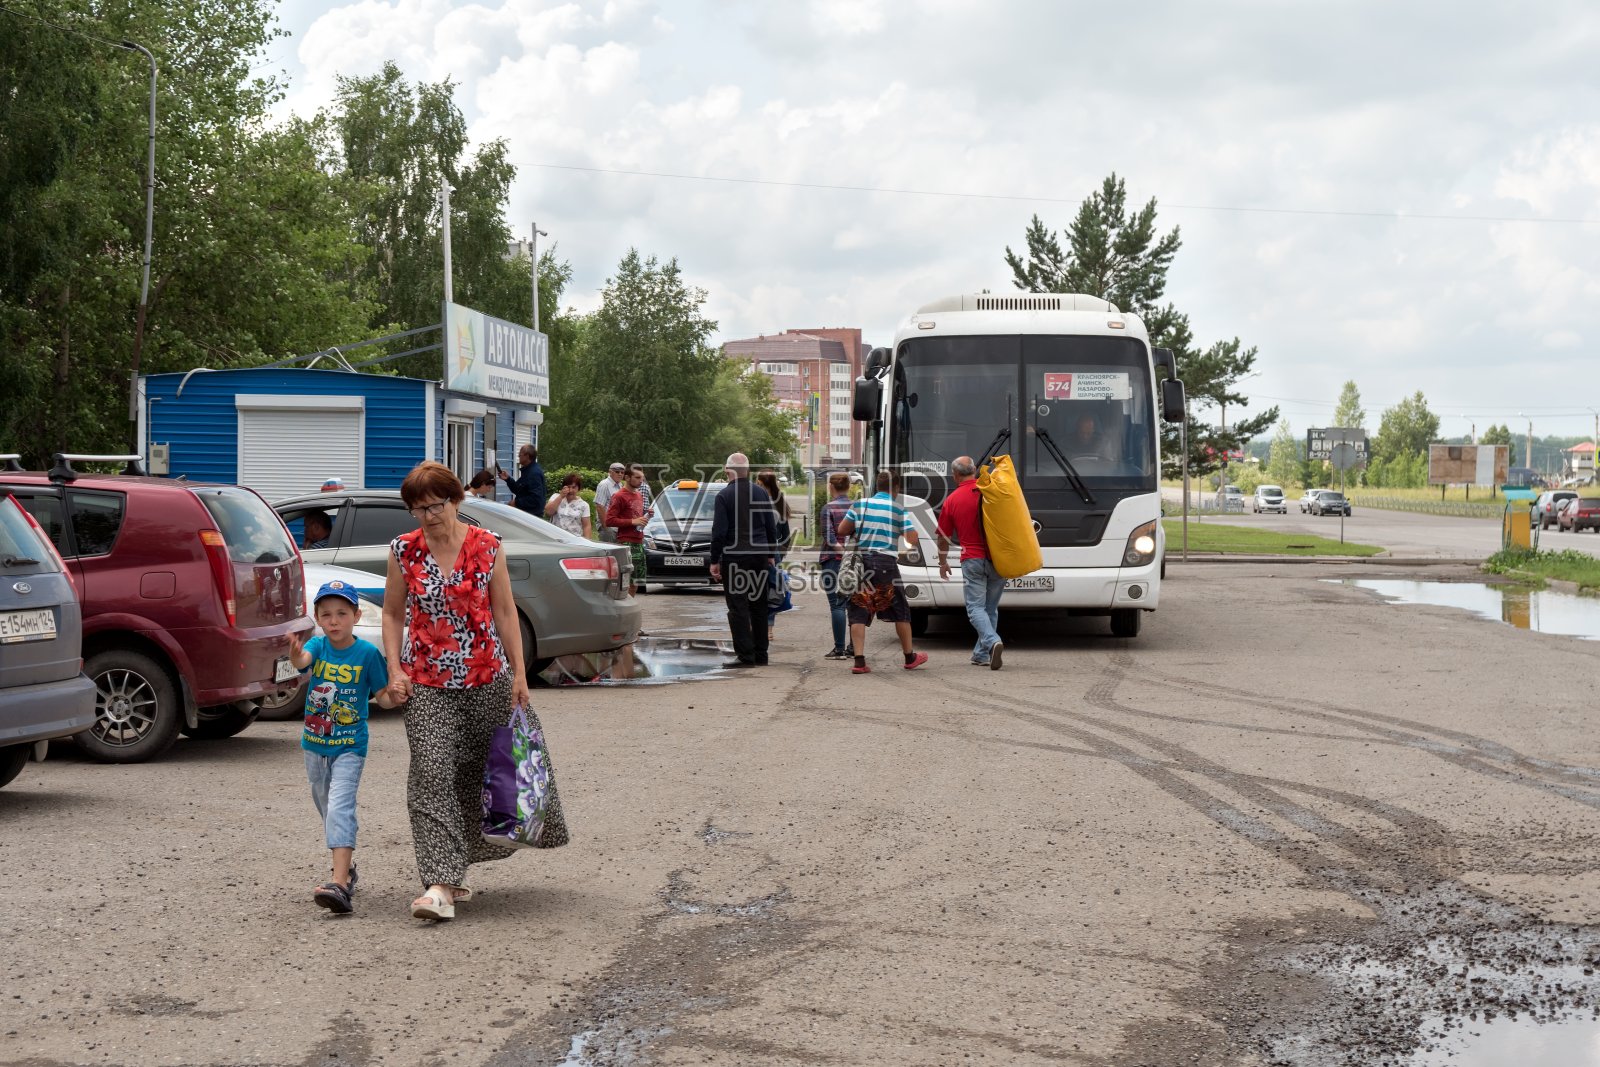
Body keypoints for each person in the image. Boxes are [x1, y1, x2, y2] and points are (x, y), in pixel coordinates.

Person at [382, 461, 568, 922]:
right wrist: (394, 668)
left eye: (435, 506)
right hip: (426, 682)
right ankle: (438, 884)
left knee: (479, 773)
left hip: (487, 677)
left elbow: (504, 612)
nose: (428, 516)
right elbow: (392, 613)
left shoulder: (488, 546)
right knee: (430, 773)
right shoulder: (404, 550)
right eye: (418, 509)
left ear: (456, 500)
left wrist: (520, 675)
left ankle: (456, 869)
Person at [287, 580, 403, 914]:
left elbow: (382, 697)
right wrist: (295, 653)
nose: (334, 620)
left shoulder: (367, 654)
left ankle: (339, 884)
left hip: (350, 746)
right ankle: (347, 869)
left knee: (339, 806)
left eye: (341, 613)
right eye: (326, 615)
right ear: (318, 619)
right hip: (314, 744)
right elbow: (302, 660)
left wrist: (394, 696)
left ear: (356, 615)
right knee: (326, 806)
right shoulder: (319, 646)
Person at [836, 470, 928, 675]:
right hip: (886, 563)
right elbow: (912, 539)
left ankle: (859, 661)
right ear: (896, 488)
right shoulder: (898, 509)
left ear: (877, 486)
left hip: (861, 564)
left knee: (859, 608)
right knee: (900, 609)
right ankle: (909, 657)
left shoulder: (859, 505)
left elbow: (842, 530)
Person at [935, 456, 1005, 670]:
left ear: (955, 475)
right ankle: (981, 654)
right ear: (974, 470)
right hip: (998, 559)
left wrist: (942, 562)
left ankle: (992, 641)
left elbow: (943, 537)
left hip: (972, 559)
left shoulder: (952, 500)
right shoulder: (992, 491)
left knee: (975, 608)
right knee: (990, 609)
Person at [709, 452, 777, 669]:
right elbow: (771, 526)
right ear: (747, 470)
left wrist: (714, 560)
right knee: (759, 605)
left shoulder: (724, 496)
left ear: (727, 470)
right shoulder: (761, 493)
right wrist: (771, 554)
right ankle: (761, 654)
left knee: (738, 607)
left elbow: (719, 532)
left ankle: (745, 655)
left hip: (735, 558)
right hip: (759, 556)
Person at [818, 472, 854, 659]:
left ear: (831, 486)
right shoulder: (857, 507)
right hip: (855, 562)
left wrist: (843, 553)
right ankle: (854, 647)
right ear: (849, 487)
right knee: (854, 605)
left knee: (837, 605)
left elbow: (830, 538)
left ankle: (839, 649)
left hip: (832, 560)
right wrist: (851, 555)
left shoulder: (828, 509)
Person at [755, 470, 792, 642]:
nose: (757, 486)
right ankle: (768, 629)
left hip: (760, 549)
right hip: (774, 550)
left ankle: (758, 626)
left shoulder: (758, 502)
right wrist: (780, 554)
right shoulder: (779, 502)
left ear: (763, 485)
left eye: (758, 483)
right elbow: (786, 535)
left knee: (756, 588)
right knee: (772, 589)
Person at [604, 465, 651, 595]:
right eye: (637, 477)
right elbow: (609, 520)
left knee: (636, 583)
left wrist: (647, 516)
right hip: (626, 542)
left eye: (642, 478)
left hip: (639, 541)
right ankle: (622, 606)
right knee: (625, 583)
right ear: (627, 477)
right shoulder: (619, 496)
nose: (641, 481)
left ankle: (630, 605)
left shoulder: (639, 495)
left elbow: (637, 518)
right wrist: (632, 522)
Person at [498, 445, 546, 515]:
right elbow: (518, 490)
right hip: (527, 514)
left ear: (527, 456)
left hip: (531, 516)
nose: (518, 456)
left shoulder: (534, 473)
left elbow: (535, 499)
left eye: (520, 454)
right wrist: (508, 479)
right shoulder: (528, 471)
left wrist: (516, 503)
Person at [544, 472, 593, 538]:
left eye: (574, 487)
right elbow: (548, 512)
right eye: (568, 487)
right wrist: (561, 496)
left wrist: (587, 541)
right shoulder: (555, 497)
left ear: (578, 489)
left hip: (574, 540)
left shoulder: (584, 505)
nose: (570, 490)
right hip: (555, 537)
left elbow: (586, 526)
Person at [593, 463, 625, 542]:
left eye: (622, 472)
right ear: (610, 472)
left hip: (617, 528)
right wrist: (606, 527)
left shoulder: (620, 485)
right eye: (617, 472)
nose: (620, 474)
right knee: (608, 549)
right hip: (608, 527)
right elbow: (599, 506)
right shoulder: (604, 484)